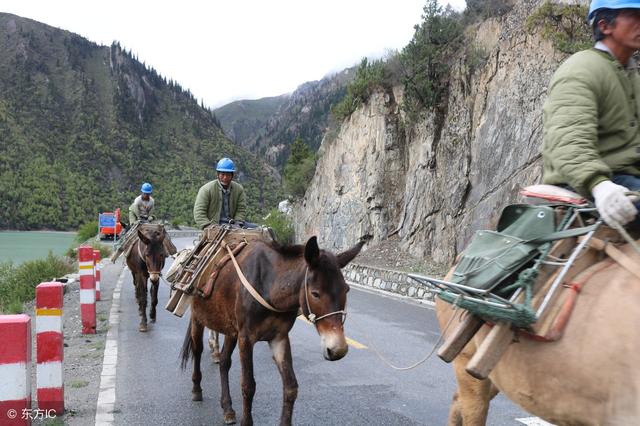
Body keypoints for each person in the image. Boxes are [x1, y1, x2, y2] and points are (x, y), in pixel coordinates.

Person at [542, 0, 640, 229]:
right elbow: (568, 139)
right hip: (589, 182)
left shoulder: (632, 75)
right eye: (634, 15)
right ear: (605, 26)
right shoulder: (580, 69)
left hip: (628, 179)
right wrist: (598, 184)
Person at [193, 157, 248, 229]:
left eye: (228, 175)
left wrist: (237, 223)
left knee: (260, 231)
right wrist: (208, 226)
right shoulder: (206, 189)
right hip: (214, 225)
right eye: (222, 174)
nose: (225, 177)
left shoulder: (239, 189)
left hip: (233, 225)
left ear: (232, 176)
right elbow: (199, 212)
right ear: (218, 175)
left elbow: (241, 209)